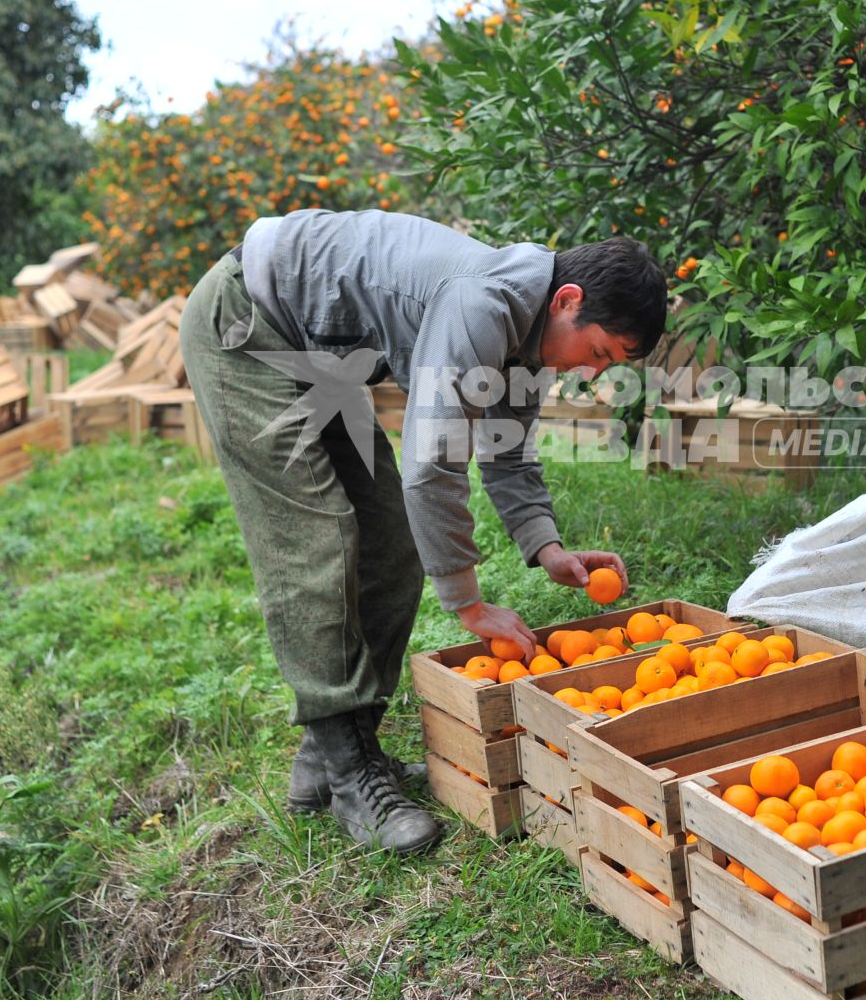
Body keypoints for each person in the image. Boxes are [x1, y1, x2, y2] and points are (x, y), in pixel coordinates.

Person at [180, 208, 666, 854]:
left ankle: (330, 760)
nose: (592, 371)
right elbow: (433, 458)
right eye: (598, 352)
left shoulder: (527, 332)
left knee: (393, 538)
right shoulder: (484, 306)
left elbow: (508, 448)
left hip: (319, 357)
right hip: (248, 329)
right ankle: (352, 774)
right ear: (568, 300)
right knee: (317, 542)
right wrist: (468, 602)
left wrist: (547, 547)